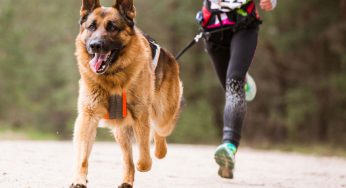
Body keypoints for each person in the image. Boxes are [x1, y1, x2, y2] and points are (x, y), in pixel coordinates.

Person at [196, 0, 277, 179]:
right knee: (230, 87)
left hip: (244, 23)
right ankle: (226, 165)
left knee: (234, 84)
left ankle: (229, 146)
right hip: (213, 27)